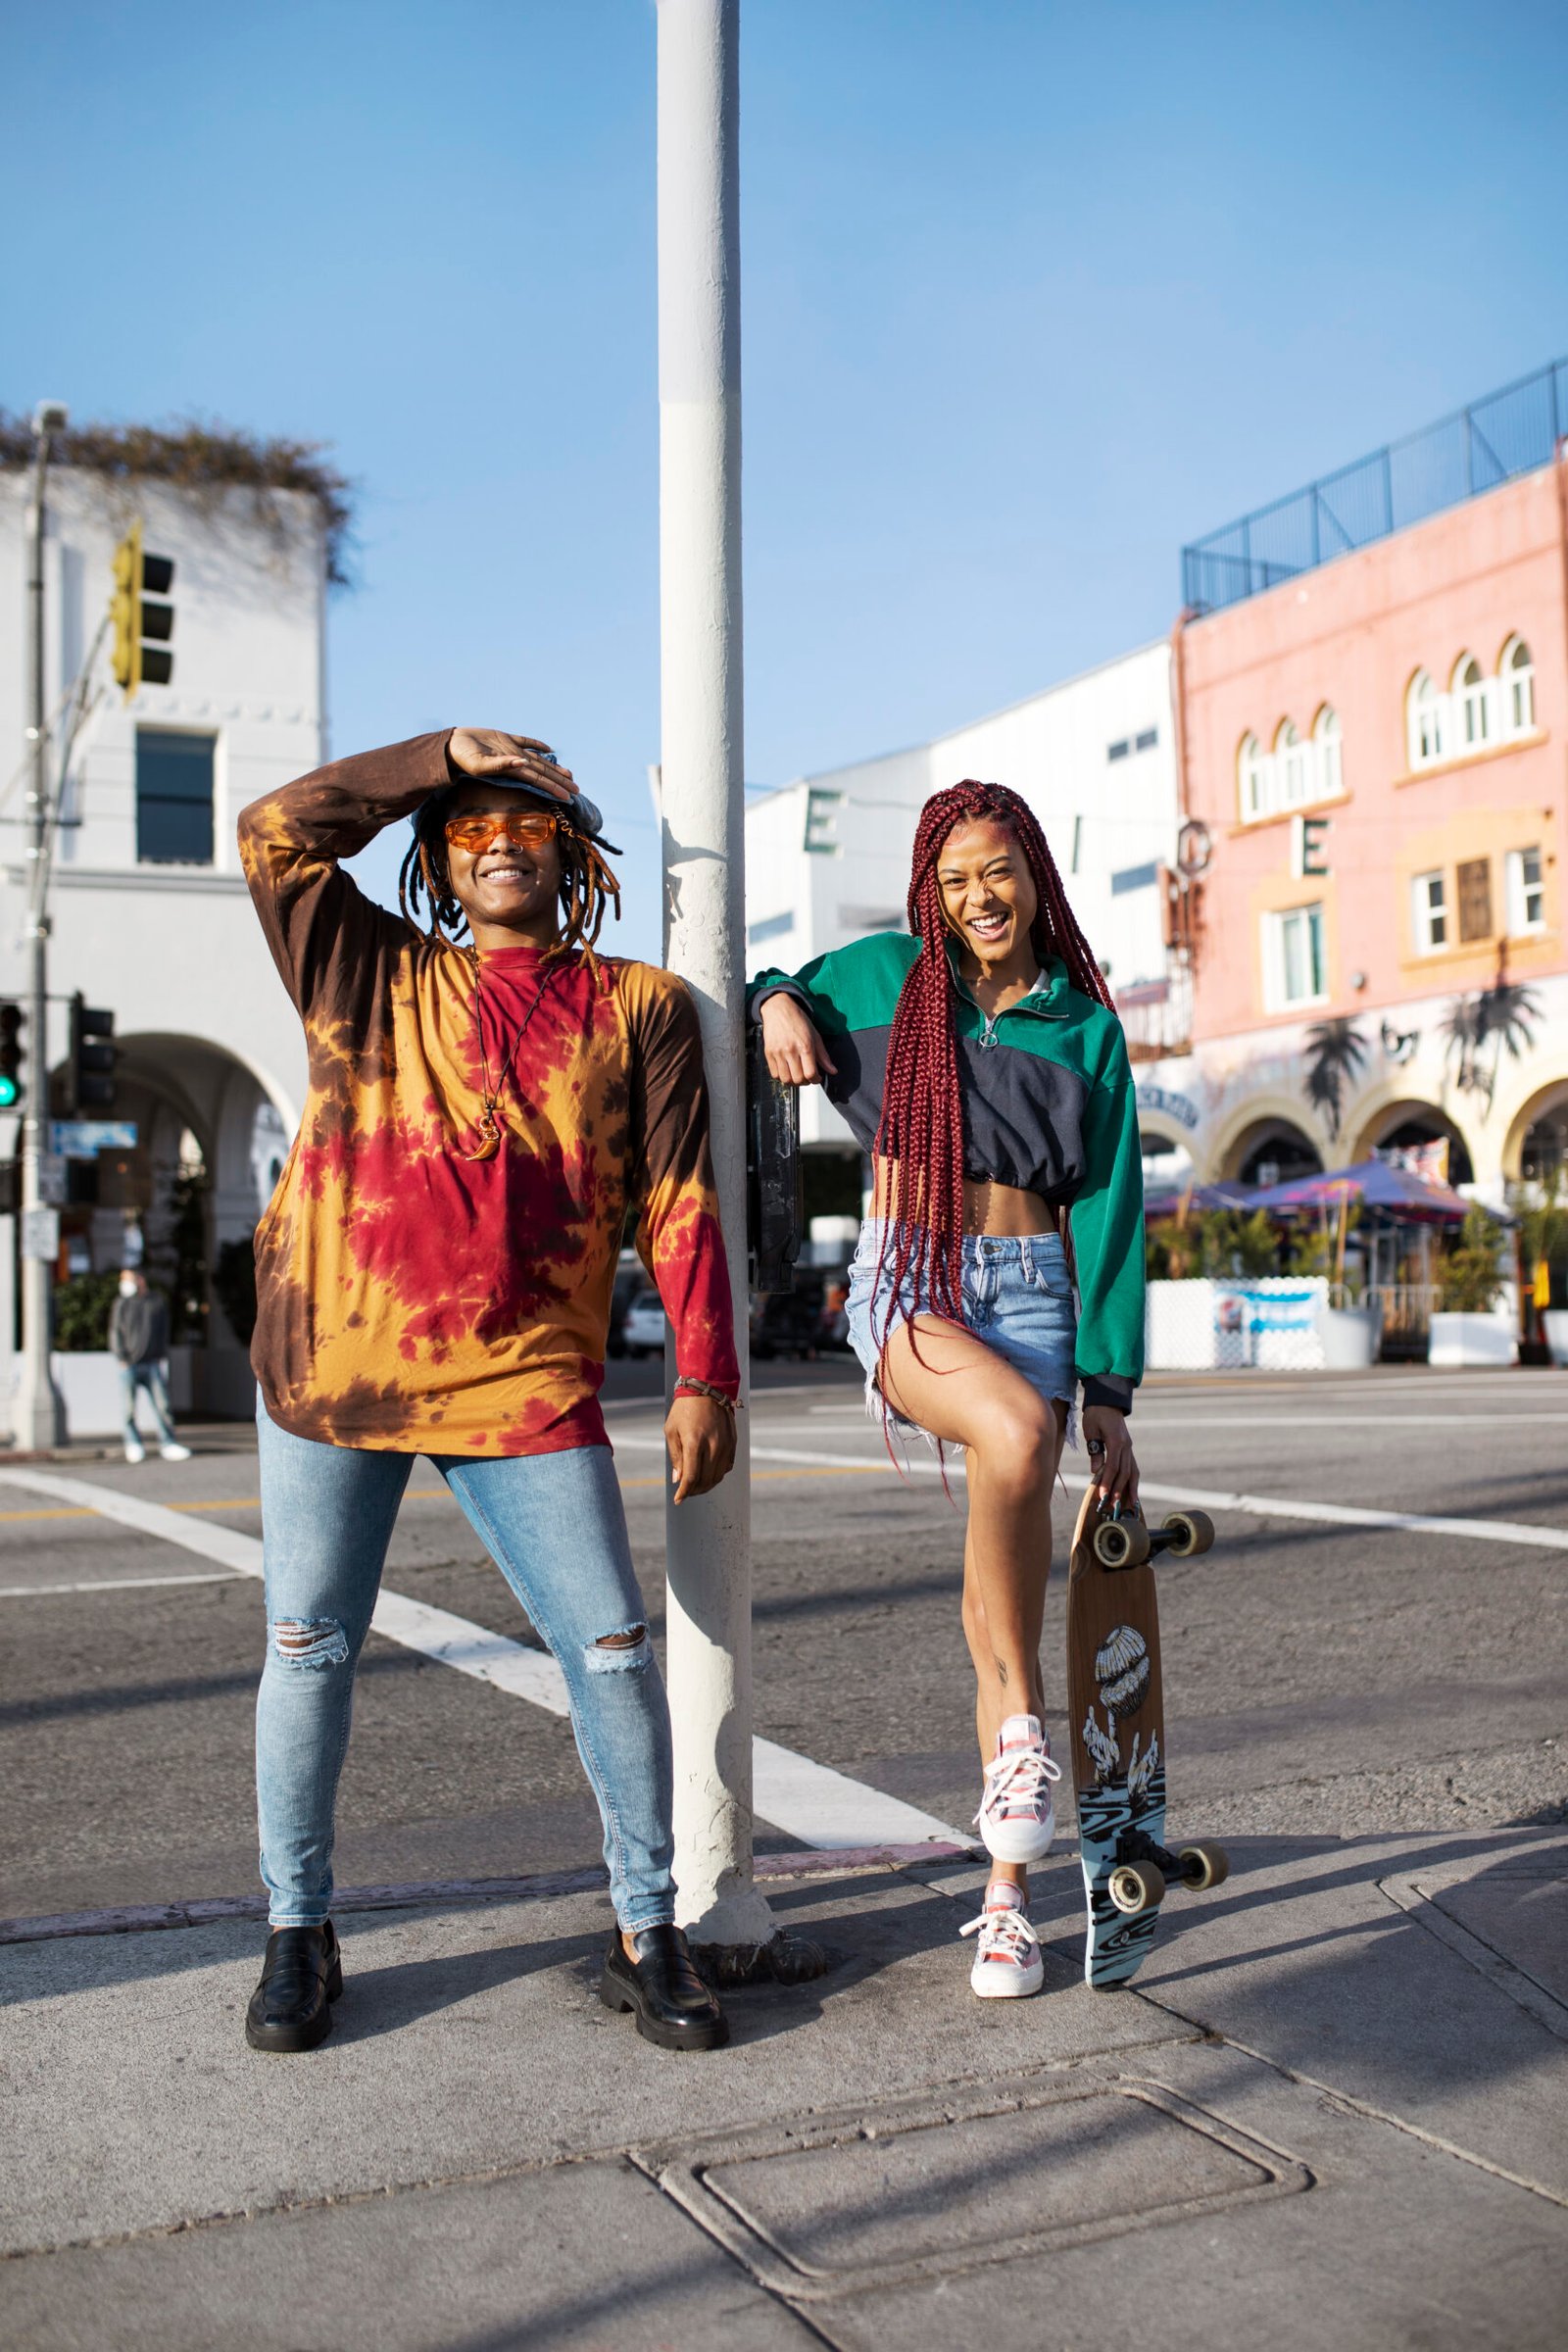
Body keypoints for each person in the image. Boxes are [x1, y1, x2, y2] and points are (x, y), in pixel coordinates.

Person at [236, 727, 741, 2056]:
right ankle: (298, 1929)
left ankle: (649, 1929)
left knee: (615, 1650)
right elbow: (275, 831)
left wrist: (706, 1371)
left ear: (577, 853)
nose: (502, 840)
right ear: (434, 856)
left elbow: (682, 1201)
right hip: (338, 1367)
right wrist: (436, 754)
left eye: (531, 823)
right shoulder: (365, 968)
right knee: (308, 1648)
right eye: (470, 824)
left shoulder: (640, 1007)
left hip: (527, 1376)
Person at [751, 779, 1144, 2001]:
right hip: (909, 1283)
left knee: (1003, 1613)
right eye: (958, 876)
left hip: (1032, 1290)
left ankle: (1006, 1903)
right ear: (932, 883)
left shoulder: (1083, 1025)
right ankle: (1027, 1740)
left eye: (1002, 871)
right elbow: (772, 992)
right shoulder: (880, 978)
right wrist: (774, 1004)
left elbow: (1114, 1208)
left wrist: (1110, 1385)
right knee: (1014, 1430)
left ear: (1036, 876)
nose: (981, 897)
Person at [108, 1270, 191, 1464]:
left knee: (163, 1406)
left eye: (127, 1279)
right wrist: (121, 1357)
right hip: (129, 1364)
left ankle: (168, 1443)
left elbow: (163, 1329)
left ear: (140, 1279)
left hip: (152, 1362)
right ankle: (133, 1443)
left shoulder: (155, 1302)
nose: (124, 1284)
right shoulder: (122, 1303)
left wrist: (161, 1354)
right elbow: (115, 1331)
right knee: (128, 1408)